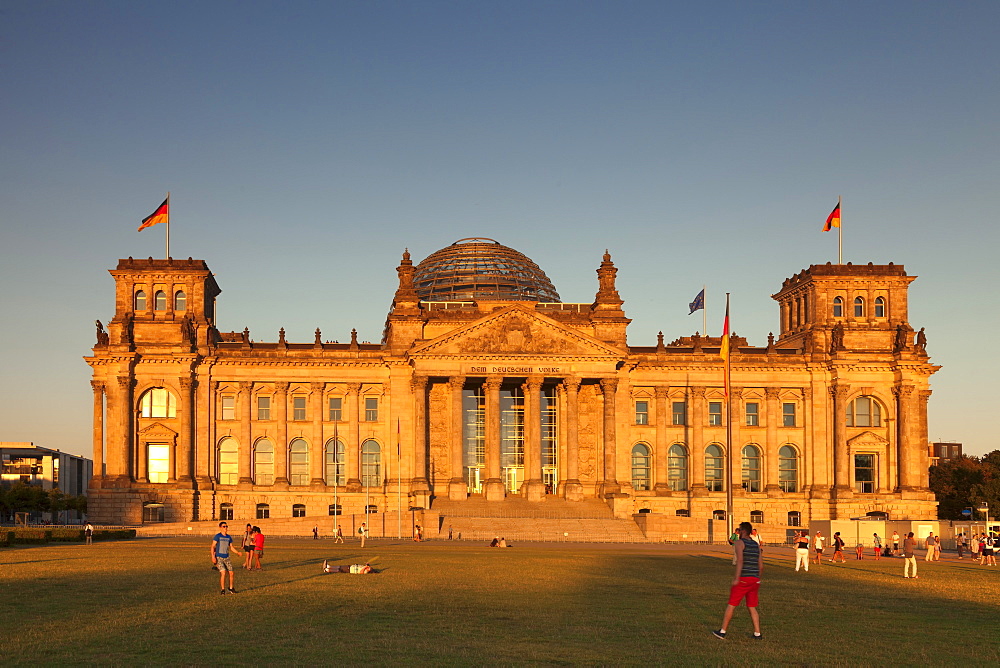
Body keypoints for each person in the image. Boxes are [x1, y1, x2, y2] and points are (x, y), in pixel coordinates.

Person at [712, 521, 763, 640]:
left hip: (744, 579)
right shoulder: (756, 544)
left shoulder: (740, 543)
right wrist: (758, 578)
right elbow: (761, 565)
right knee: (752, 606)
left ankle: (722, 631)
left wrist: (736, 578)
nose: (738, 532)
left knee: (731, 605)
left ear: (743, 531)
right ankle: (757, 633)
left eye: (739, 530)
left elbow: (740, 561)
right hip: (755, 580)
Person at [211, 521, 242, 594]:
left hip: (227, 557)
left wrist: (237, 552)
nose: (225, 528)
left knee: (231, 573)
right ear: (220, 528)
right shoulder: (217, 536)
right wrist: (213, 556)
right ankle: (222, 589)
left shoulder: (228, 537)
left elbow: (231, 547)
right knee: (223, 572)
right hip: (219, 557)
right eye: (224, 526)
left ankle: (231, 588)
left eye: (226, 526)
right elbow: (212, 546)